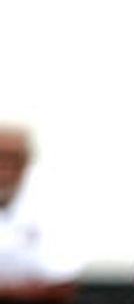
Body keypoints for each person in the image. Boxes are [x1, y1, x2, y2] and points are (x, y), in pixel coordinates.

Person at [0, 126, 80, 303]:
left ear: (26, 162)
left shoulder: (53, 205)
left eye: (13, 159)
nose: (5, 168)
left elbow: (62, 285)